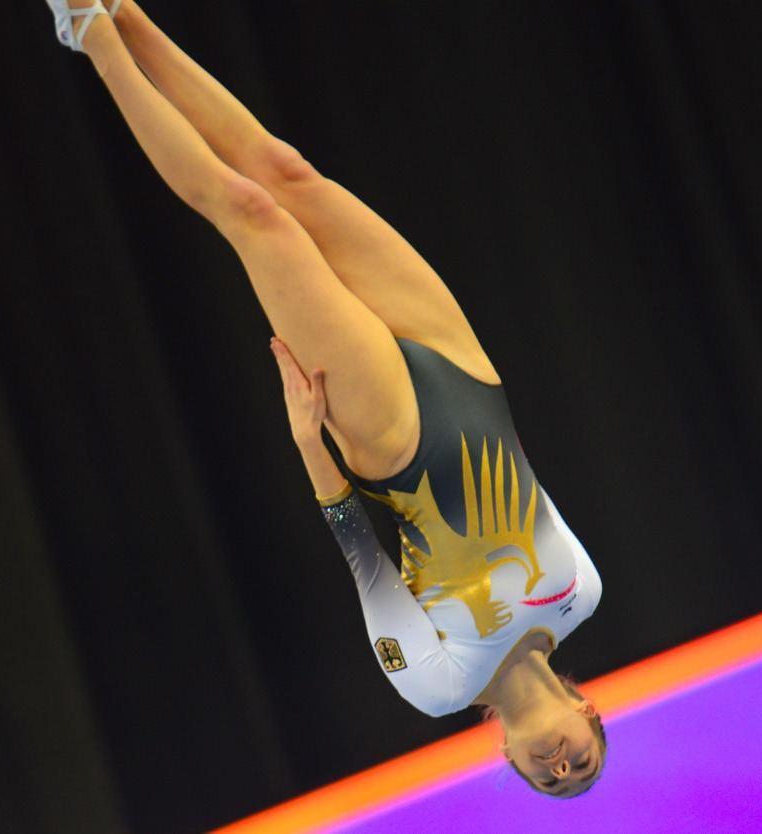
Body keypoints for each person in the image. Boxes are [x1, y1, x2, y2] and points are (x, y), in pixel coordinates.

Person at [44, 0, 605, 797]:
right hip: (466, 373)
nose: (561, 765)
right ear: (589, 712)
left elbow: (364, 565)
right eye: (580, 760)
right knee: (287, 172)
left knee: (255, 216)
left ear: (508, 760)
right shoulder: (582, 594)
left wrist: (313, 444)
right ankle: (124, 14)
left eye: (548, 780)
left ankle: (86, 31)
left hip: (392, 442)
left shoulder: (438, 687)